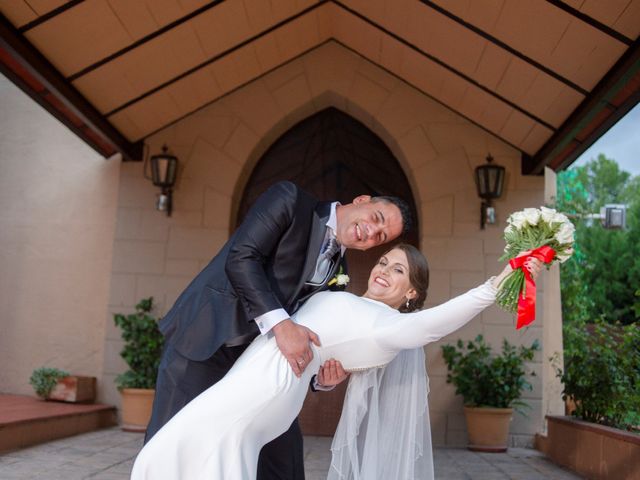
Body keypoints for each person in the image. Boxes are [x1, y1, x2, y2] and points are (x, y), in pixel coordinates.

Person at [132, 244, 542, 480]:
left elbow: (436, 323)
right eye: (383, 261)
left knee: (190, 449)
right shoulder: (350, 299)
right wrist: (326, 382)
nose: (383, 270)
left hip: (266, 386)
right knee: (194, 450)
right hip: (256, 376)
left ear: (412, 294)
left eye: (398, 270)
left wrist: (496, 284)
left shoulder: (389, 327)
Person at [145, 180, 412, 479]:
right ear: (362, 200)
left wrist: (323, 379)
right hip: (205, 340)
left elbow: (318, 334)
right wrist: (282, 325)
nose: (372, 233)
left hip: (256, 370)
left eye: (381, 236)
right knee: (167, 452)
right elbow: (242, 257)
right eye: (376, 219)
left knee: (283, 463)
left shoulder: (342, 272)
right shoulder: (291, 201)